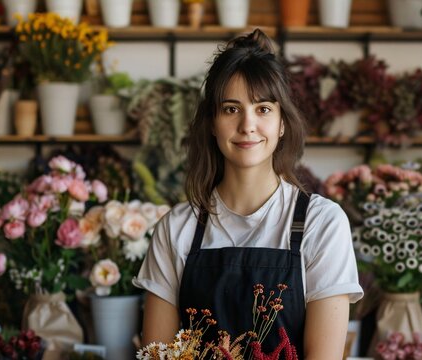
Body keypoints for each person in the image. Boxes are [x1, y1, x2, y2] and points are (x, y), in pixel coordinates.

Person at [133, 28, 364, 359]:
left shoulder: (321, 223)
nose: (247, 125)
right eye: (230, 109)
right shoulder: (177, 229)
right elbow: (159, 354)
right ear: (212, 123)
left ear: (282, 122)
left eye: (263, 109)